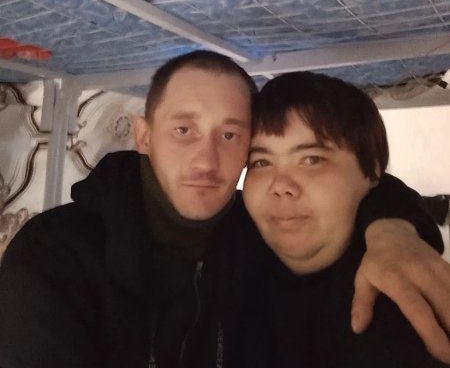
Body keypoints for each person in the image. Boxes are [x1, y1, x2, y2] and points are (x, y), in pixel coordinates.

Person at [0, 51, 449, 368]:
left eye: (231, 136)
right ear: (143, 136)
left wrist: (392, 228)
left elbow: (365, 180)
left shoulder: (258, 234)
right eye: (183, 130)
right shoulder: (51, 256)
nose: (207, 160)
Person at [234, 70, 450, 367]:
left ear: (372, 170)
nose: (281, 185)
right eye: (261, 162)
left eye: (312, 159)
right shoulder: (230, 244)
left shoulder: (389, 310)